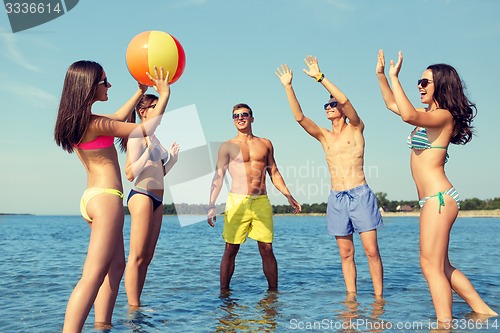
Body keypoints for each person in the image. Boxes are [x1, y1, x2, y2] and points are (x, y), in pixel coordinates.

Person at [376, 50, 498, 324]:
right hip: (433, 200)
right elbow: (391, 104)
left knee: (429, 265)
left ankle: (445, 325)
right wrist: (381, 75)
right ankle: (484, 311)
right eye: (419, 82)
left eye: (424, 82)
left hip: (439, 199)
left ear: (440, 86)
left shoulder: (443, 116)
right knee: (441, 265)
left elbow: (406, 115)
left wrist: (396, 77)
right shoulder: (428, 115)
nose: (419, 86)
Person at [54, 61, 170, 332]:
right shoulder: (94, 123)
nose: (109, 86)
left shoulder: (82, 122)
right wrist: (163, 95)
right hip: (107, 199)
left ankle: (102, 326)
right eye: (104, 82)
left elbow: (118, 116)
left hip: (93, 198)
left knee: (116, 266)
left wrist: (139, 92)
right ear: (88, 87)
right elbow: (145, 130)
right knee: (92, 276)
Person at [275, 56, 384, 297]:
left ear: (343, 112)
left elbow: (344, 99)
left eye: (332, 105)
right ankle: (351, 299)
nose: (329, 107)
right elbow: (300, 118)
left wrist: (320, 78)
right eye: (326, 106)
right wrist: (288, 87)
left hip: (359, 194)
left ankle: (378, 300)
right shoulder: (324, 136)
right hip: (337, 198)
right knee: (346, 253)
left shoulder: (356, 128)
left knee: (371, 251)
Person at [207, 103, 301, 292]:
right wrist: (211, 204)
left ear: (252, 118)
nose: (240, 118)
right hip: (237, 201)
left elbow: (274, 172)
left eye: (244, 114)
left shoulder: (265, 143)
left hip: (261, 201)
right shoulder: (227, 146)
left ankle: (273, 294)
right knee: (231, 249)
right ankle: (224, 294)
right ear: (233, 120)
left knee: (267, 248)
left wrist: (288, 195)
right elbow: (218, 175)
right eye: (235, 116)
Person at [120, 94, 179, 308]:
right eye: (154, 106)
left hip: (158, 199)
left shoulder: (155, 138)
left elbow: (159, 172)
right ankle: (133, 307)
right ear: (143, 112)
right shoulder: (137, 135)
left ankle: (137, 302)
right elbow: (129, 173)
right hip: (142, 195)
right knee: (137, 256)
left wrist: (172, 160)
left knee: (148, 256)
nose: (159, 110)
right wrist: (146, 153)